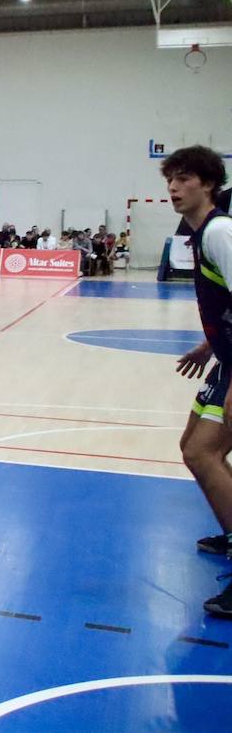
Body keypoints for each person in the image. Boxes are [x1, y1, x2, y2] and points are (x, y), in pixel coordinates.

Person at [165, 146, 232, 618]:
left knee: (202, 453)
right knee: (194, 447)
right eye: (170, 179)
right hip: (225, 357)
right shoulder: (202, 235)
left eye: (184, 178)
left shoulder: (220, 232)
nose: (173, 187)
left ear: (207, 184)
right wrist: (209, 345)